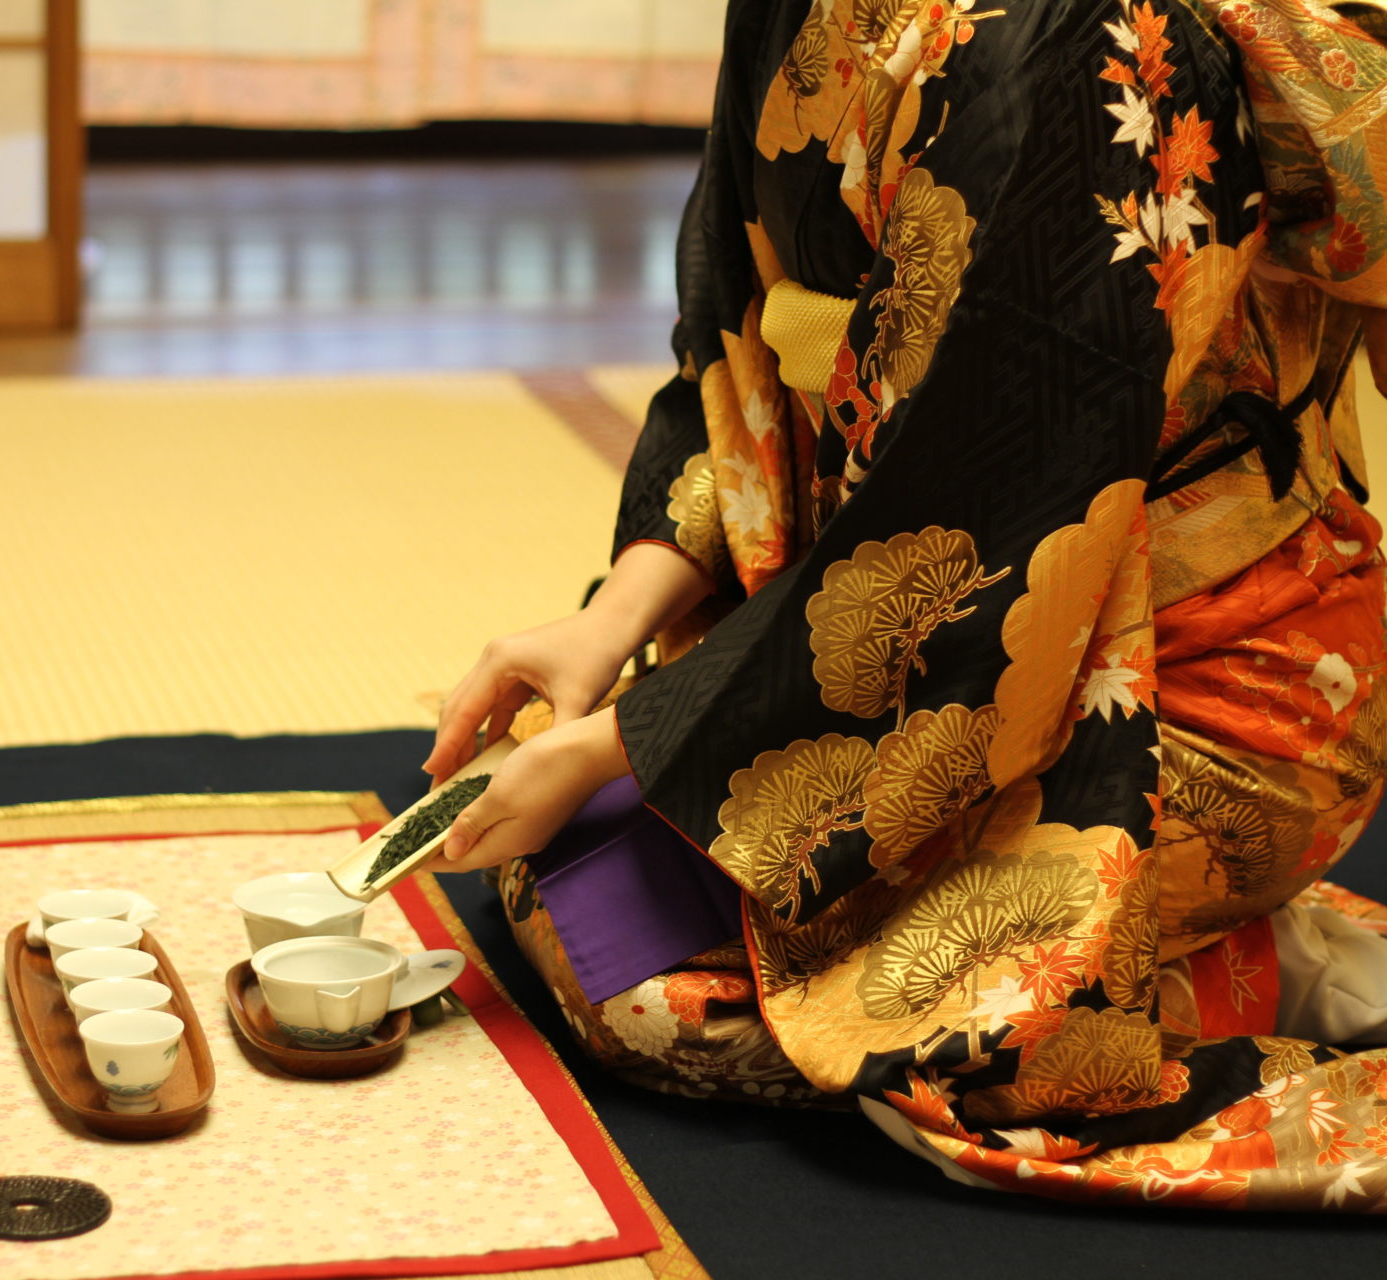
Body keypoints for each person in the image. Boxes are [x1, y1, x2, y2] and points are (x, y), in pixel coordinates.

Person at [423, 0, 1387, 1210]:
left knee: (659, 1005)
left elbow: (989, 519)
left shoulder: (1079, 34)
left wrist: (619, 736)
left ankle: (1199, 971)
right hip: (918, 626)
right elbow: (741, 343)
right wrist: (610, 625)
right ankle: (1164, 943)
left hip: (1182, 665)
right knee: (562, 876)